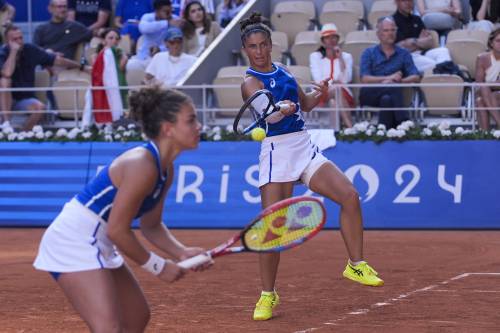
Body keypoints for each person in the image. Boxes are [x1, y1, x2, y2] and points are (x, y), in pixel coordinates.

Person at [239, 13, 384, 322]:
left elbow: (304, 105)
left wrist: (321, 93)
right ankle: (268, 295)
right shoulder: (249, 81)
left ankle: (355, 264)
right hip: (277, 152)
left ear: (271, 45)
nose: (260, 51)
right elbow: (271, 117)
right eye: (253, 46)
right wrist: (282, 108)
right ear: (246, 49)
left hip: (303, 146)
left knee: (349, 195)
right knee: (272, 231)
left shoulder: (286, 71)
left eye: (264, 44)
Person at [33, 86, 211, 331]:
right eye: (191, 120)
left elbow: (151, 225)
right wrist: (158, 266)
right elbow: (118, 230)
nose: (198, 126)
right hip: (74, 239)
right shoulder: (142, 165)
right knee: (108, 328)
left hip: (99, 239)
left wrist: (181, 252)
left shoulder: (166, 169)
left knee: (136, 317)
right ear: (167, 128)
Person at [0, 25, 86, 130]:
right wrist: (13, 52)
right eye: (15, 39)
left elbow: (57, 60)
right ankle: (6, 124)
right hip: (3, 100)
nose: (19, 42)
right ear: (6, 41)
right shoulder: (2, 53)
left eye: (21, 38)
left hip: (24, 98)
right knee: (5, 81)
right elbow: (7, 73)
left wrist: (81, 66)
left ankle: (23, 135)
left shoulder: (30, 49)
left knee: (40, 108)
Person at [359, 16, 421, 129]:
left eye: (393, 30)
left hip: (392, 94)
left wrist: (399, 80)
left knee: (387, 99)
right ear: (378, 34)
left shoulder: (403, 53)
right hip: (370, 93)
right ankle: (403, 121)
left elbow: (415, 76)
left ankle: (383, 130)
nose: (390, 33)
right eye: (386, 30)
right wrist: (389, 78)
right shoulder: (369, 52)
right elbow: (365, 78)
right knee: (393, 86)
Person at [309, 23, 354, 129]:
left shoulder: (347, 57)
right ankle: (351, 128)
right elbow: (318, 79)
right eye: (327, 37)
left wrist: (341, 58)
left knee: (334, 101)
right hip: (321, 92)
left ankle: (335, 133)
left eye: (334, 37)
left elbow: (347, 79)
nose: (331, 40)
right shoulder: (315, 57)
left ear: (338, 39)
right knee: (336, 88)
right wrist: (333, 84)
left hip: (343, 94)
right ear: (323, 41)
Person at [393, 0, 452, 73]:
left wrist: (414, 42)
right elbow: (401, 47)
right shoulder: (392, 21)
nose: (408, 3)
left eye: (410, 1)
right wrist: (420, 41)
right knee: (436, 65)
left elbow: (429, 42)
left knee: (443, 51)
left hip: (422, 53)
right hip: (406, 57)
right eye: (404, 1)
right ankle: (445, 76)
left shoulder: (417, 19)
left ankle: (444, 76)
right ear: (396, 2)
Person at [127, 0, 180, 72]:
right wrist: (166, 23)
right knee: (129, 66)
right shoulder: (147, 17)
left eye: (171, 11)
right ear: (157, 11)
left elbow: (176, 42)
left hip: (166, 57)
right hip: (145, 57)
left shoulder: (175, 19)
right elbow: (144, 28)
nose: (169, 14)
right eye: (166, 12)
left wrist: (160, 49)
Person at [90, 28, 129, 124]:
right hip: (103, 89)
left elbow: (121, 69)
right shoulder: (95, 56)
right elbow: (97, 74)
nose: (114, 41)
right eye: (110, 38)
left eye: (116, 38)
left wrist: (122, 56)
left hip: (119, 88)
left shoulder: (122, 56)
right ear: (104, 41)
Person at [475, 27, 500, 130]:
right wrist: (493, 84)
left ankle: (485, 135)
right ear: (491, 43)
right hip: (487, 92)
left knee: (481, 100)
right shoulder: (482, 58)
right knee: (482, 95)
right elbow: (479, 82)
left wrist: (490, 84)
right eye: (498, 41)